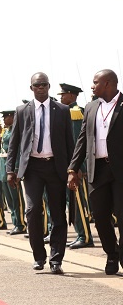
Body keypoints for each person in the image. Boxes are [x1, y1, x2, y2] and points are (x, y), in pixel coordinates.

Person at [7, 72, 74, 274]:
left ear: (49, 86)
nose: (41, 88)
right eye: (37, 85)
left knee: (58, 214)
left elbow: (70, 142)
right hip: (33, 168)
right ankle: (39, 256)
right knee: (33, 211)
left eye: (44, 84)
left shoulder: (62, 110)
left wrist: (73, 169)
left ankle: (56, 260)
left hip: (56, 167)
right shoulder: (22, 111)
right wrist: (11, 169)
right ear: (31, 88)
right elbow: (14, 143)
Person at [67, 69, 123, 275]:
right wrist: (73, 168)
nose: (92, 86)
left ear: (108, 83)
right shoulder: (90, 108)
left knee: (122, 215)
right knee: (100, 217)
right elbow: (82, 140)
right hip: (97, 170)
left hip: (120, 172)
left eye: (95, 82)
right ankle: (112, 254)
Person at [58, 83, 94, 249]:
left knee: (79, 202)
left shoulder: (74, 112)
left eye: (63, 95)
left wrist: (77, 166)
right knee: (72, 202)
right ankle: (81, 234)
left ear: (71, 95)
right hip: (69, 165)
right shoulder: (68, 112)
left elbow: (76, 142)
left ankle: (85, 236)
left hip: (75, 166)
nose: (61, 98)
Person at [0, 110, 27, 235]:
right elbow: (1, 150)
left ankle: (20, 224)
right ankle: (15, 223)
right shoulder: (6, 132)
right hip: (4, 168)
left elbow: (18, 151)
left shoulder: (17, 130)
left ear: (12, 117)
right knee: (9, 199)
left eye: (5, 117)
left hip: (12, 168)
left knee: (16, 198)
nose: (3, 119)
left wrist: (16, 170)